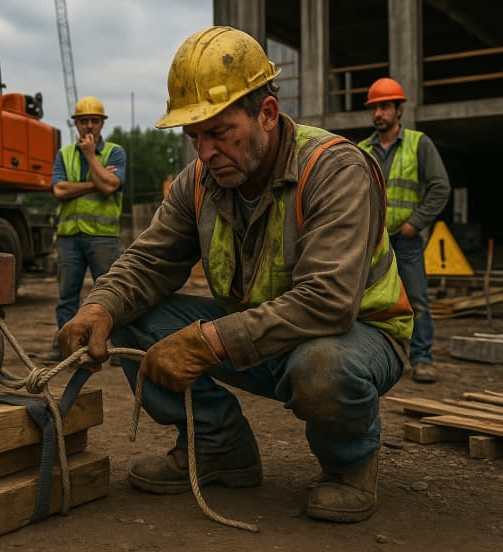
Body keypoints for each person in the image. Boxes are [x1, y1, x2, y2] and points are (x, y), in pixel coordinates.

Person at [58, 26, 414, 524]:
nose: (204, 152)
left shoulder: (333, 169)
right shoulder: (200, 181)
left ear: (266, 113)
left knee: (321, 367)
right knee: (127, 316)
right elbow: (149, 261)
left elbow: (328, 301)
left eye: (220, 133)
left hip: (357, 335)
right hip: (262, 335)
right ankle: (220, 448)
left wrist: (209, 341)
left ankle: (349, 464)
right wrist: (99, 306)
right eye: (194, 137)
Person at [359, 78, 451, 383]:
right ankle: (371, 358)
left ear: (399, 109)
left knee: (416, 300)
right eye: (374, 108)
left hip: (406, 240)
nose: (378, 114)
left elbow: (440, 187)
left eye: (385, 107)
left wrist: (415, 223)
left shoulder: (419, 143)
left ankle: (422, 359)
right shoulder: (362, 149)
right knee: (367, 301)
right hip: (373, 242)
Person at [42, 96, 127, 361]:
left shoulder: (115, 152)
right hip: (69, 237)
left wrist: (90, 156)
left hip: (103, 237)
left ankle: (117, 348)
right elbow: (59, 190)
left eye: (94, 121)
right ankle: (64, 348)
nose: (89, 126)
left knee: (111, 294)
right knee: (67, 296)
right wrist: (95, 183)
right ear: (76, 124)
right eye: (83, 121)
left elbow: (110, 186)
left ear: (102, 123)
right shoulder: (64, 154)